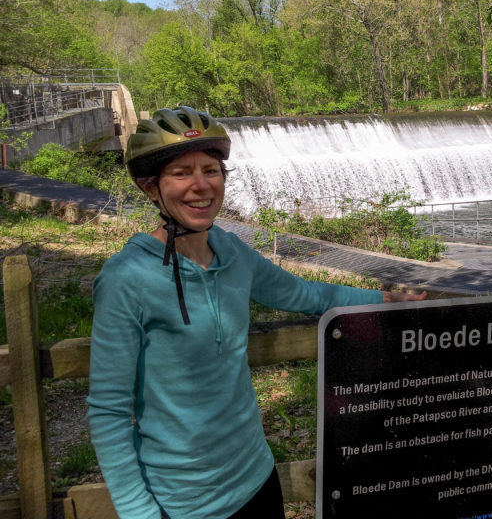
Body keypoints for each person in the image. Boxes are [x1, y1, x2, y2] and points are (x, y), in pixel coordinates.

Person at [87, 106, 426, 519]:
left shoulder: (232, 252)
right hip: (186, 502)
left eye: (211, 170)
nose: (201, 185)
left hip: (258, 478)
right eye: (181, 173)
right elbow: (108, 411)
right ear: (150, 187)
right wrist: (139, 514)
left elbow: (304, 293)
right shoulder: (126, 278)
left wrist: (383, 301)